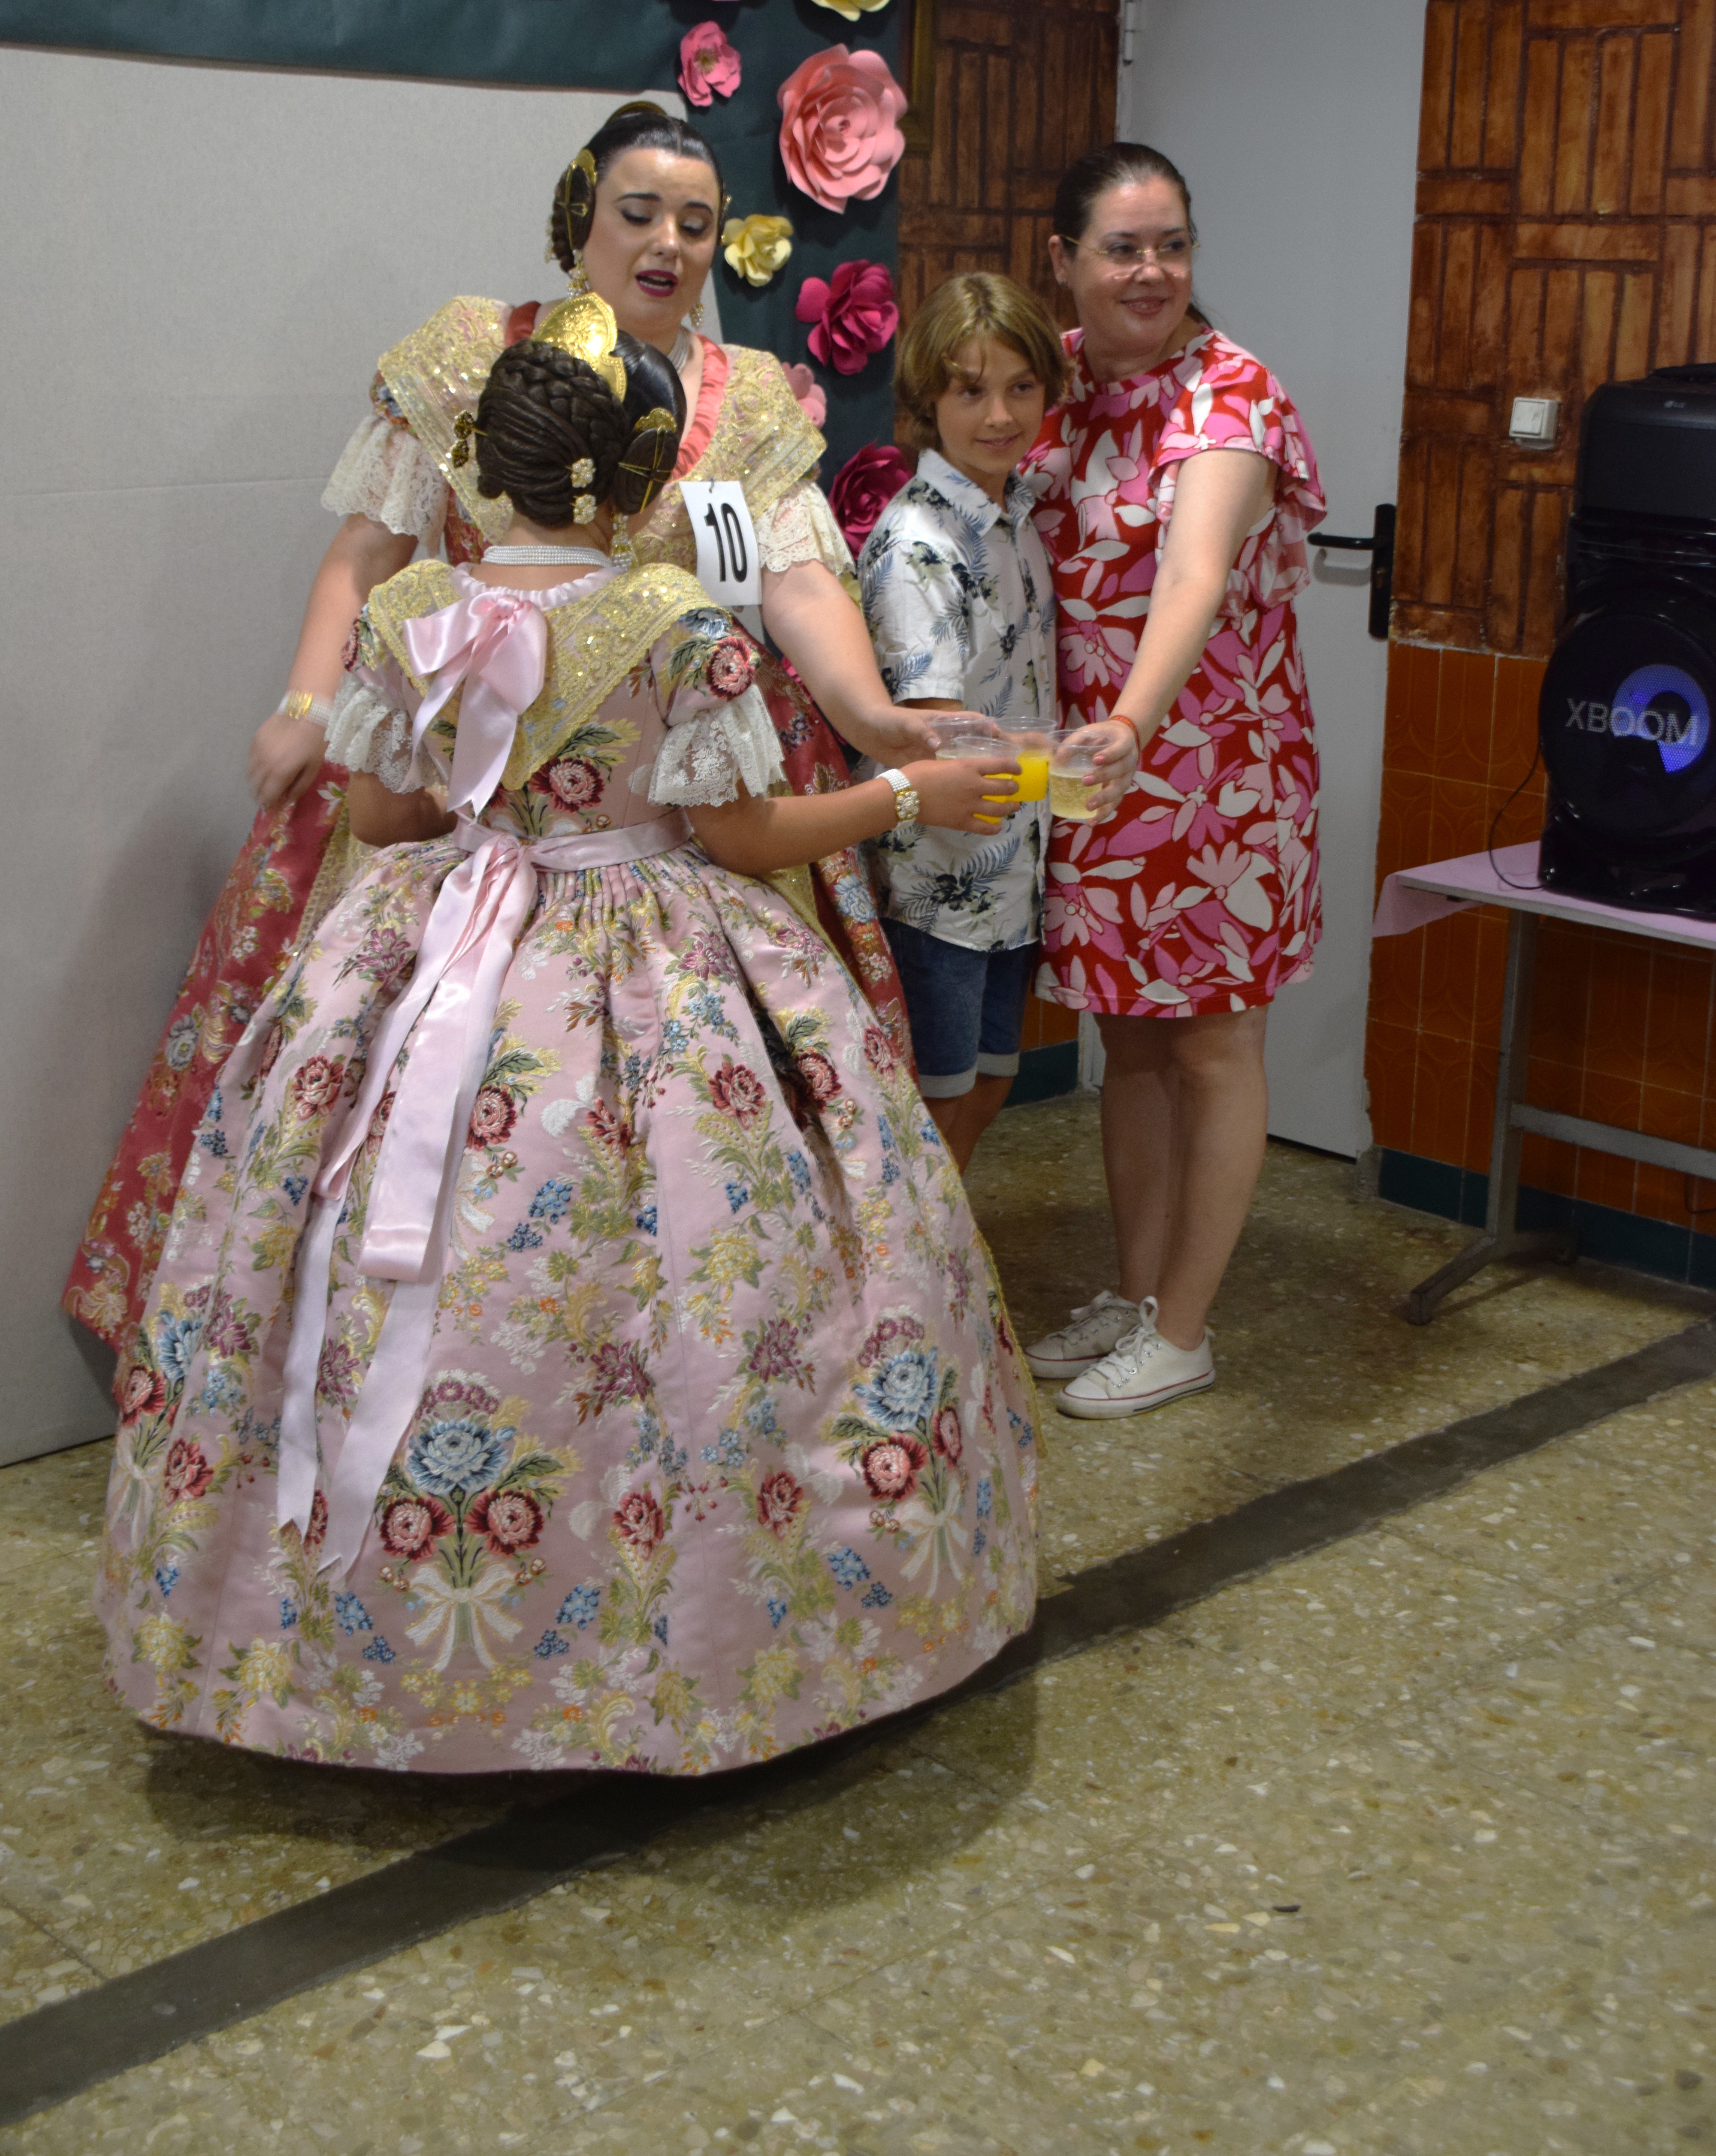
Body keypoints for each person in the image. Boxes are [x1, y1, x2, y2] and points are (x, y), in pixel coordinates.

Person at [97, 302, 1037, 1775]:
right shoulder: (677, 628)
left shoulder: (416, 613)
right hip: (650, 945)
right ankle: (700, 1634)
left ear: (485, 470)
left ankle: (323, 1632)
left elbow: (377, 815)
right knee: (687, 1262)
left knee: (357, 1232)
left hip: (434, 944)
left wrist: (491, 804)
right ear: (640, 477)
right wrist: (908, 798)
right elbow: (742, 838)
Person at [65, 101, 928, 1352]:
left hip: (668, 784)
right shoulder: (474, 354)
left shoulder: (746, 399)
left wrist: (871, 715)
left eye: (697, 224)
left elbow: (796, 582)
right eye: (639, 213)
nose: (668, 244)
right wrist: (310, 703)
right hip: (459, 780)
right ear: (580, 214)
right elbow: (365, 556)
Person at [1020, 144, 1323, 1420]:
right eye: (1122, 248)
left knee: (1212, 1040)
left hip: (1217, 781)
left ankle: (1185, 1330)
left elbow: (1193, 573)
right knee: (1130, 1036)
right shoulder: (1054, 383)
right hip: (1095, 773)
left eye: (1172, 245)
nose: (1150, 271)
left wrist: (1129, 724)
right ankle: (1135, 1297)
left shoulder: (1232, 394)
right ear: (1064, 261)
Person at [860, 274, 1065, 1171]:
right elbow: (936, 730)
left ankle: (946, 1252)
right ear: (927, 400)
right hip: (934, 882)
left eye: (1021, 387)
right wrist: (1057, 757)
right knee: (931, 1107)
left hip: (1012, 863)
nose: (999, 414)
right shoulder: (917, 542)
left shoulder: (1016, 520)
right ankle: (909, 1261)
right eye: (971, 390)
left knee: (985, 1087)